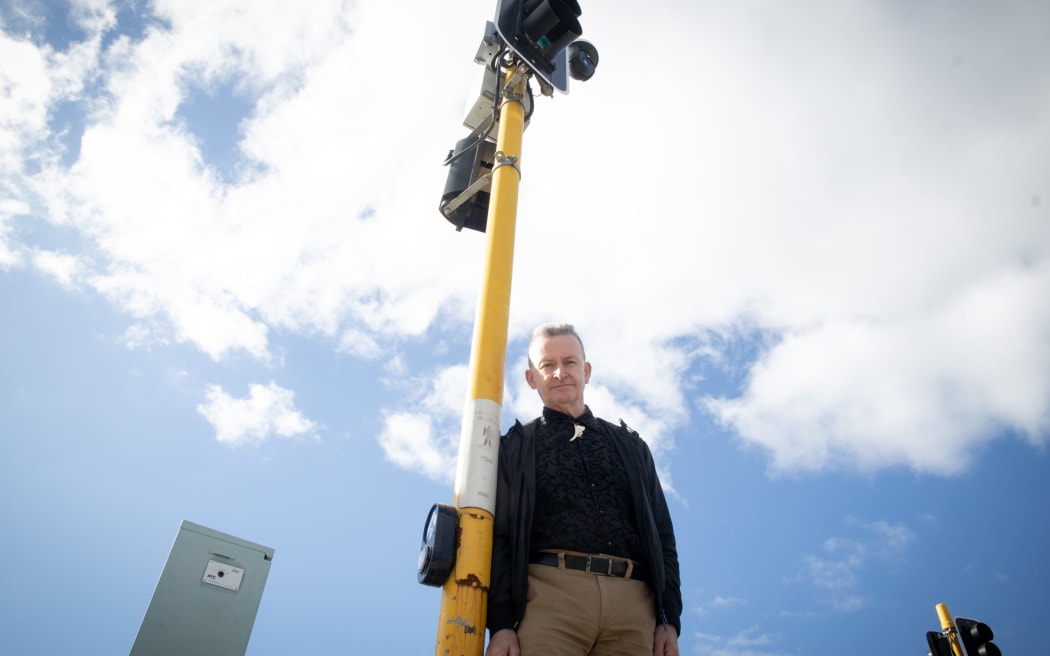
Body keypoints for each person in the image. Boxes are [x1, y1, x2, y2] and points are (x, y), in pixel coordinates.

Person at [486, 323, 682, 656]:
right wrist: (501, 624)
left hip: (636, 610)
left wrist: (670, 619)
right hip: (548, 603)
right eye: (547, 365)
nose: (560, 372)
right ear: (531, 378)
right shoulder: (513, 448)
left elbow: (663, 536)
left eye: (570, 362)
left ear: (586, 371)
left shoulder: (631, 446)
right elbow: (500, 538)